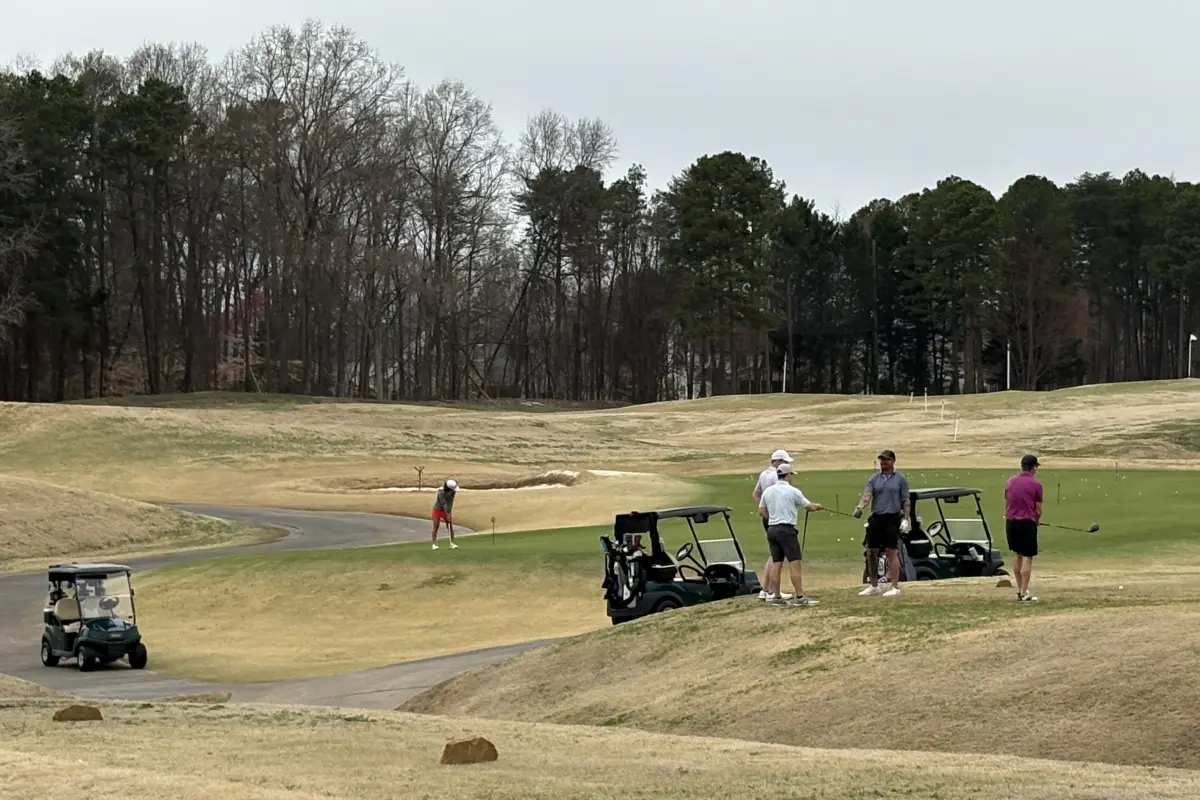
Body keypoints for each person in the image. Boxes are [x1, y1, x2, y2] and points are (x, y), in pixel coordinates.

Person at [757, 462, 822, 607]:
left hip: (772, 530)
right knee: (795, 563)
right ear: (788, 475)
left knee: (776, 563)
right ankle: (799, 597)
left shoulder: (768, 491)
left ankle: (776, 596)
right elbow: (809, 506)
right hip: (786, 530)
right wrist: (817, 506)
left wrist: (773, 518)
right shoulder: (793, 491)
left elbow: (761, 511)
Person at [853, 449, 910, 598]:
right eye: (881, 460)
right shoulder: (874, 479)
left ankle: (895, 586)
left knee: (891, 551)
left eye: (886, 460)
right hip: (877, 517)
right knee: (871, 552)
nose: (883, 462)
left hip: (892, 518)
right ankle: (873, 585)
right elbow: (867, 495)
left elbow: (905, 500)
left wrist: (905, 518)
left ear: (893, 461)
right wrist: (860, 507)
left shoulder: (900, 479)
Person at [752, 449, 794, 601]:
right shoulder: (775, 477)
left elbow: (756, 494)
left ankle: (766, 589)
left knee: (774, 554)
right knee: (777, 556)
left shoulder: (763, 474)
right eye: (784, 462)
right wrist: (773, 514)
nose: (786, 466)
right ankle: (771, 591)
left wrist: (764, 508)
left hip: (768, 517)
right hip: (776, 519)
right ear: (777, 461)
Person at [1004, 454, 1043, 602]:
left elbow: (1007, 502)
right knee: (1027, 557)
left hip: (1011, 522)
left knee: (1016, 554)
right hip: (1027, 523)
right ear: (1033, 468)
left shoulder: (1010, 481)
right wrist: (1037, 521)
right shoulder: (1036, 485)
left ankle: (1019, 589)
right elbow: (1038, 509)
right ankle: (1024, 591)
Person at [431, 479, 459, 550]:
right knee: (436, 526)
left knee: (450, 526)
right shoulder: (440, 492)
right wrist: (447, 514)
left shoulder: (453, 492)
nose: (454, 491)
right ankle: (434, 544)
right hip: (438, 509)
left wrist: (449, 513)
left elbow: (450, 503)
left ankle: (452, 543)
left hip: (447, 510)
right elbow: (444, 504)